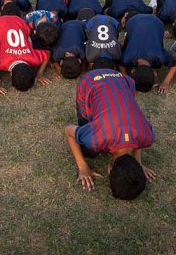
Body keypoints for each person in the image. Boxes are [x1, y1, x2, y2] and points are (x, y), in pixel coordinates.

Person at [64, 69, 156, 200]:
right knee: (89, 151)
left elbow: (139, 141)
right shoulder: (96, 139)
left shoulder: (147, 137)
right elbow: (68, 131)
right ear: (109, 169)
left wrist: (139, 163)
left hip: (122, 79)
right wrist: (83, 167)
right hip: (90, 80)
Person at [0, 15, 51, 91]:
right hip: (7, 23)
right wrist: (40, 74)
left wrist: (39, 74)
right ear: (10, 74)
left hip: (15, 22)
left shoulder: (32, 58)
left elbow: (47, 53)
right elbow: (47, 53)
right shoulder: (2, 63)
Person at [122, 14, 176, 93]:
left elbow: (174, 66)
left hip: (154, 22)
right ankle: (127, 36)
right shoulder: (128, 56)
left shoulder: (159, 56)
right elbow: (120, 64)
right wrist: (125, 76)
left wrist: (166, 82)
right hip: (136, 20)